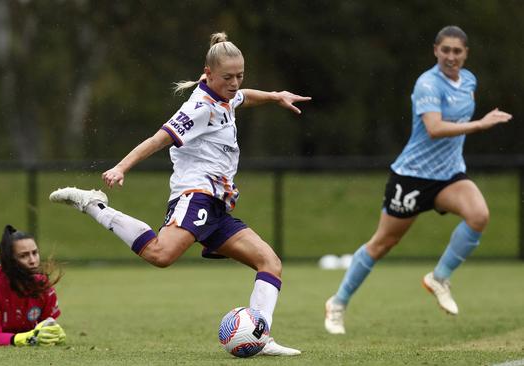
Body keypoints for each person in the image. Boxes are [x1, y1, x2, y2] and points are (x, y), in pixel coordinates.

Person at [50, 32, 310, 356]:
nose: (234, 83)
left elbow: (245, 96)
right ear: (209, 73)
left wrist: (274, 96)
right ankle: (93, 204)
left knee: (269, 263)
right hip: (195, 194)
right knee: (161, 255)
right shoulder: (199, 107)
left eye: (239, 75)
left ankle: (260, 337)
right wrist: (121, 167)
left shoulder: (227, 96)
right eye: (227, 77)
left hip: (217, 207)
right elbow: (158, 139)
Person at [324, 25, 513, 335]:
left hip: (449, 176)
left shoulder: (470, 81)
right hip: (412, 178)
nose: (451, 56)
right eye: (446, 50)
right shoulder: (427, 83)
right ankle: (338, 303)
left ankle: (439, 278)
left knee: (479, 215)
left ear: (466, 54)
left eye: (458, 51)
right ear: (435, 50)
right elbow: (435, 128)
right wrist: (481, 125)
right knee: (383, 243)